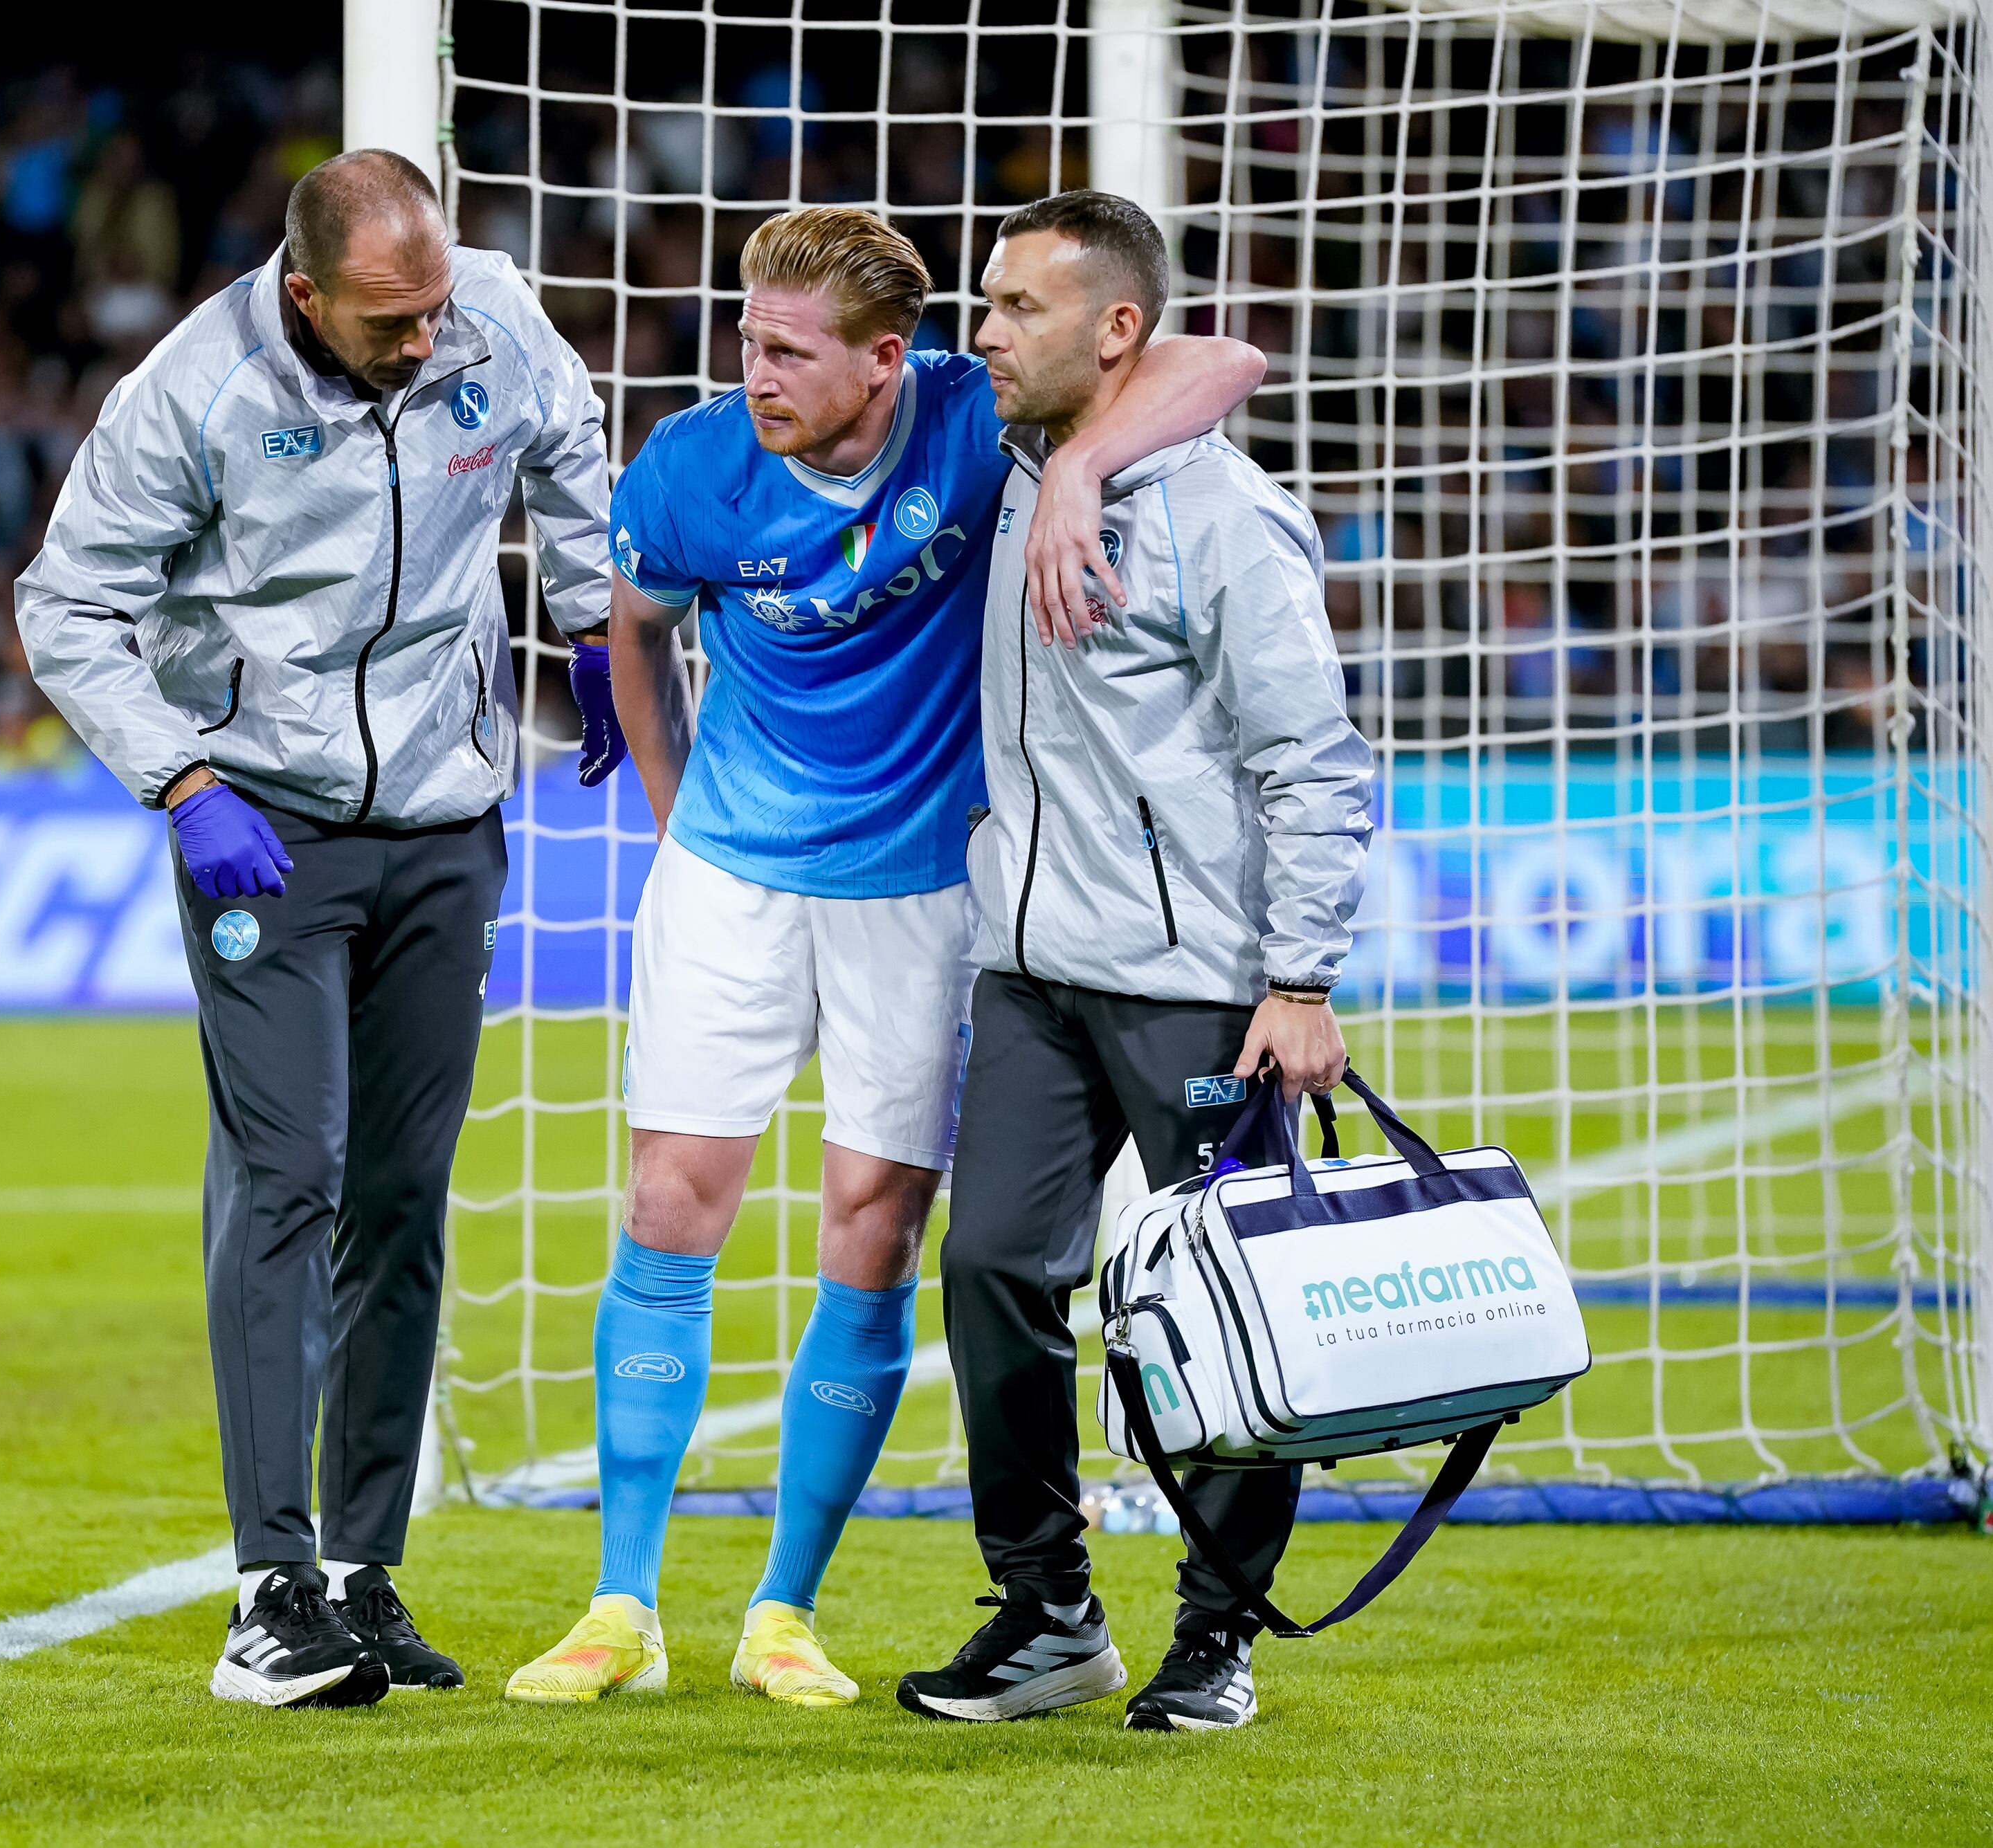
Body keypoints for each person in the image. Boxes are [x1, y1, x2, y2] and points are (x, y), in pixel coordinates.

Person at [505, 203, 1267, 1709]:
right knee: (670, 1197)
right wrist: (679, 832)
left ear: (882, 359)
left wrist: (1087, 472)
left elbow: (1225, 357)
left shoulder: (979, 420)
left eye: (786, 349)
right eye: (744, 338)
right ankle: (620, 1602)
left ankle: (783, 1609)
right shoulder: (692, 468)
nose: (754, 371)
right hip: (730, 870)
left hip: (922, 889)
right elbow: (632, 634)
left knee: (873, 1223)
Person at [17, 149, 611, 1711]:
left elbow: (568, 445)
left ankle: (362, 1573)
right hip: (262, 835)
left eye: (430, 311)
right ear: (304, 294)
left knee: (404, 1201)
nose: (423, 344)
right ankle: (265, 1593)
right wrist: (180, 776)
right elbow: (64, 599)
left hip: (444, 830)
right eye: (385, 323)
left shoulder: (487, 313)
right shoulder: (193, 388)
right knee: (286, 1178)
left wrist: (591, 611)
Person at [893, 192, 1372, 1730]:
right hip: (1027, 962)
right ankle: (1044, 1609)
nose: (979, 336)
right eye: (979, 303)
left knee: (1225, 1311)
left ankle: (1214, 1635)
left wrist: (1295, 976)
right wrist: (1074, 460)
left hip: (1197, 983)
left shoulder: (1225, 518)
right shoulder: (1011, 460)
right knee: (988, 1270)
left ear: (1112, 329)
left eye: (1013, 308)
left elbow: (1310, 756)